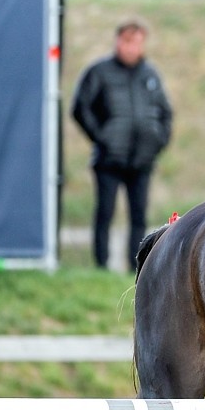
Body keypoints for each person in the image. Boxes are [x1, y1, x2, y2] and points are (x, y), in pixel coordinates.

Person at [71, 19, 173, 271]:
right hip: (109, 158)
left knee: (139, 216)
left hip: (142, 159)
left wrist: (158, 141)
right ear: (118, 41)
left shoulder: (150, 74)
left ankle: (134, 266)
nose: (131, 48)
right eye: (127, 41)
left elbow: (165, 112)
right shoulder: (99, 72)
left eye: (137, 42)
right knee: (105, 212)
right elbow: (80, 108)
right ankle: (101, 265)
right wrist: (102, 137)